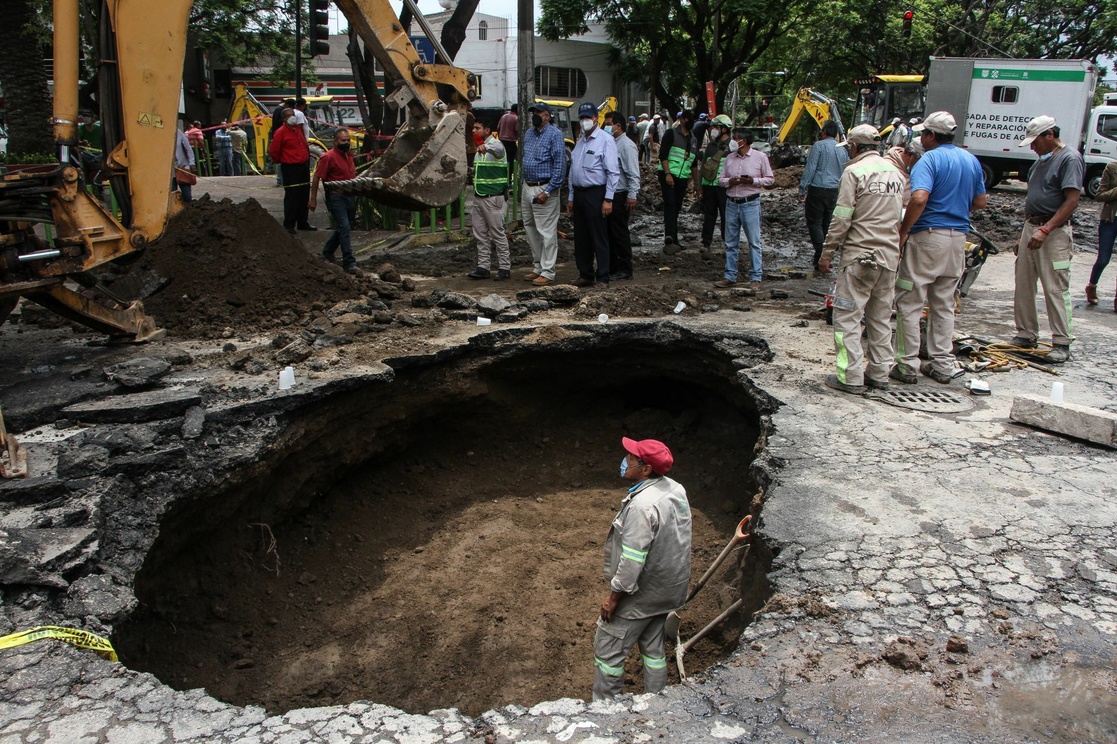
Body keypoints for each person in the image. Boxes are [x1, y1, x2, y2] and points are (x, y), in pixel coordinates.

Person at [593, 437, 691, 702]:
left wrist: (614, 597)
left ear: (646, 469)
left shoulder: (641, 506)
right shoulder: (675, 489)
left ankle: (606, 710)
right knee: (653, 648)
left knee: (608, 653)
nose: (625, 460)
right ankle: (656, 703)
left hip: (641, 595)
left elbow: (633, 558)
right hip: (669, 591)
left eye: (631, 458)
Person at [893, 111, 986, 384]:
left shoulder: (929, 160)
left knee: (909, 301)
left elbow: (919, 197)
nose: (921, 139)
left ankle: (907, 365)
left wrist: (904, 230)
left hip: (927, 238)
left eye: (924, 134)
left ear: (931, 135)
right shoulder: (971, 160)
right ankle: (942, 363)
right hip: (958, 239)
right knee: (943, 303)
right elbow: (980, 202)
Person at [816, 125, 907, 395]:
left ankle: (850, 375)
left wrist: (827, 252)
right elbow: (899, 214)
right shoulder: (896, 173)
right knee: (879, 318)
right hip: (888, 258)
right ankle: (880, 372)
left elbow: (842, 217)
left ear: (855, 147)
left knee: (847, 318)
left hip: (859, 257)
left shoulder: (853, 172)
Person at [1010, 115, 1084, 363]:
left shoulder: (1069, 159)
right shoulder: (1040, 162)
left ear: (1050, 135)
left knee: (1055, 286)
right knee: (1024, 281)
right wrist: (1027, 231)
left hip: (1053, 230)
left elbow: (1071, 200)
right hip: (1032, 224)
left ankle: (1062, 341)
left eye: (1036, 141)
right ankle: (1026, 333)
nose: (1033, 146)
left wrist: (1047, 229)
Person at [567, 102, 620, 287]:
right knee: (581, 237)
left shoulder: (606, 140)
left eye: (587, 118)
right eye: (581, 118)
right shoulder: (580, 142)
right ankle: (585, 274)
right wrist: (571, 197)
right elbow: (573, 171)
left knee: (599, 236)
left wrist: (608, 199)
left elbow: (613, 172)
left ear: (596, 118)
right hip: (580, 194)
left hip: (596, 193)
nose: (584, 121)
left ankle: (603, 276)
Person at [714, 128, 775, 289]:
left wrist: (752, 181)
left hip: (750, 203)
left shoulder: (760, 157)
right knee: (730, 242)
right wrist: (730, 181)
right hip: (732, 203)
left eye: (735, 138)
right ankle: (730, 275)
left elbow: (770, 180)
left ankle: (755, 277)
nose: (733, 141)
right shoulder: (729, 158)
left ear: (744, 141)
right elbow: (720, 180)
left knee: (754, 242)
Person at [519, 102, 567, 286]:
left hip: (544, 187)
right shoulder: (529, 133)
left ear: (547, 115)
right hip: (528, 186)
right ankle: (538, 266)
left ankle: (548, 271)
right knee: (530, 228)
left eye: (539, 112)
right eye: (534, 112)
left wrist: (548, 191)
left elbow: (560, 166)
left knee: (546, 231)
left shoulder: (554, 135)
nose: (535, 115)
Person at [798, 120, 849, 270]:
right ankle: (824, 254)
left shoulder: (819, 146)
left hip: (818, 189)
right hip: (835, 191)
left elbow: (811, 167)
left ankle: (820, 252)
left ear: (824, 132)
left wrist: (802, 188)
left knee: (814, 222)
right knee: (827, 223)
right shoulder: (842, 150)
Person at [309, 129, 359, 273]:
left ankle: (328, 251)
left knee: (344, 227)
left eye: (348, 140)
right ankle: (349, 261)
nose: (347, 143)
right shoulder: (328, 157)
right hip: (336, 197)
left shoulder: (348, 156)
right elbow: (317, 177)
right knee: (344, 226)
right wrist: (312, 199)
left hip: (349, 195)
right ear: (335, 141)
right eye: (343, 140)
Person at [466, 119, 511, 281]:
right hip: (479, 197)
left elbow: (498, 151)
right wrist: (471, 171)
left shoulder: (496, 145)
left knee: (498, 234)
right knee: (480, 235)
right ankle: (483, 267)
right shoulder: (480, 150)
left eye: (477, 128)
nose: (474, 131)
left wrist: (485, 147)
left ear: (487, 130)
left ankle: (504, 267)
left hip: (493, 197)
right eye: (473, 128)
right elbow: (483, 170)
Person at [604, 112, 640, 281]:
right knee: (610, 233)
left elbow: (633, 173)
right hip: (610, 193)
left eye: (609, 123)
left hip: (620, 194)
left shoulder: (626, 145)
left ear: (618, 126)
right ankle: (612, 266)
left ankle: (625, 268)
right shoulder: (611, 143)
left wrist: (632, 195)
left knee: (619, 233)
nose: (606, 126)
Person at [268, 107, 316, 234]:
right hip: (290, 167)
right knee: (292, 196)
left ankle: (302, 222)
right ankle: (289, 224)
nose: (292, 117)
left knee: (303, 194)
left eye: (293, 114)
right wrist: (282, 160)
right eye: (289, 115)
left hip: (303, 166)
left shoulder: (298, 130)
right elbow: (274, 150)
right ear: (284, 119)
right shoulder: (281, 132)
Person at [659, 110, 699, 253]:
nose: (691, 122)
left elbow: (694, 164)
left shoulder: (693, 140)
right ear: (682, 120)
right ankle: (669, 237)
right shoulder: (671, 134)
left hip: (682, 176)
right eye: (689, 119)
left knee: (676, 207)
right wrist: (667, 174)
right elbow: (663, 155)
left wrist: (697, 184)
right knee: (670, 204)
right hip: (669, 175)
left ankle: (674, 238)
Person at [698, 114, 733, 251]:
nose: (713, 130)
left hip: (724, 187)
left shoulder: (732, 147)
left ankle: (728, 243)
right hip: (709, 186)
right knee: (709, 215)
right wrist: (700, 186)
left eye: (716, 127)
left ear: (724, 129)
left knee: (726, 216)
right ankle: (706, 243)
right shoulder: (711, 146)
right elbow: (703, 167)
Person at [1086, 160, 1117, 310]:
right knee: (1103, 259)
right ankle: (1092, 286)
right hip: (1110, 220)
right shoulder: (1112, 167)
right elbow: (1099, 195)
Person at [271, 98, 295, 186]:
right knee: (281, 163)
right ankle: (280, 180)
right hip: (280, 139)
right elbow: (274, 151)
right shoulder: (279, 111)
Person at [172, 126, 195, 204]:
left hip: (182, 167)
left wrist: (192, 163)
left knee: (187, 196)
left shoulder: (178, 132)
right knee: (172, 196)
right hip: (169, 172)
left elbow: (188, 148)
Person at [497, 103, 519, 179]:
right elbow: (517, 130)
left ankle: (501, 178)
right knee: (510, 162)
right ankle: (508, 179)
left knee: (502, 161)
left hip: (501, 142)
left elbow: (498, 128)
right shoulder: (516, 118)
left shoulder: (503, 116)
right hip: (510, 143)